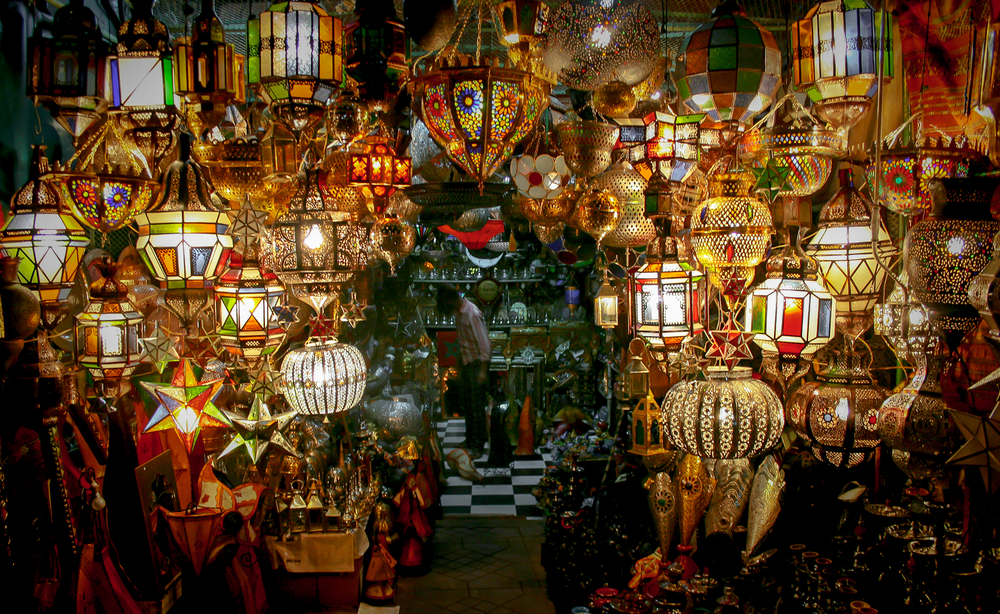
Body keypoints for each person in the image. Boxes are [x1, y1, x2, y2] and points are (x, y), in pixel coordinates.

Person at [437, 284, 491, 458]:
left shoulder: (471, 314)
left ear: (449, 299)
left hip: (477, 365)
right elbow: (465, 341)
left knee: (476, 407)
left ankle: (478, 446)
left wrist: (483, 371)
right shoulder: (459, 313)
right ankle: (469, 440)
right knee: (468, 405)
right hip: (468, 365)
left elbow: (484, 344)